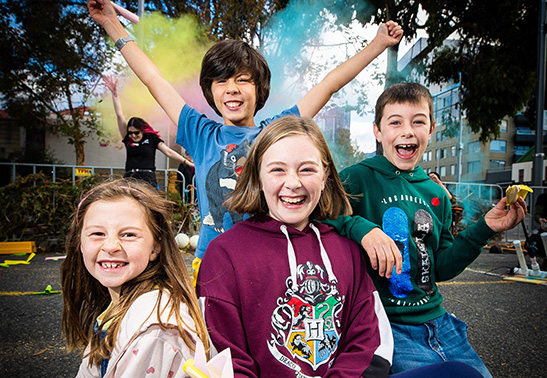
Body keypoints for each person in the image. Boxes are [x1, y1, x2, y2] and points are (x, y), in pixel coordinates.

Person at [87, 0, 403, 283]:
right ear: (209, 90)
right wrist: (111, 23)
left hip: (270, 260)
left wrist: (378, 44)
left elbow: (329, 84)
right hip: (213, 263)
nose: (232, 89)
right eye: (221, 81)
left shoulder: (274, 132)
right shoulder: (200, 132)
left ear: (259, 88)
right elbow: (153, 79)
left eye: (242, 80)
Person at [196, 116, 484, 378]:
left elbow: (368, 338)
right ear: (258, 177)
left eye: (307, 169)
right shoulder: (225, 253)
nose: (293, 183)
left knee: (461, 373)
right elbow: (224, 356)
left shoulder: (346, 249)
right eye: (277, 170)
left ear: (325, 177)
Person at [324, 83, 526, 377]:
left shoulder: (437, 194)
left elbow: (440, 267)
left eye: (417, 121)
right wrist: (360, 227)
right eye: (395, 122)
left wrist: (484, 228)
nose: (407, 131)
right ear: (377, 131)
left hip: (441, 323)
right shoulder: (355, 179)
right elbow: (320, 220)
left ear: (430, 129)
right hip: (384, 325)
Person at [61, 179, 209, 377]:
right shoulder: (120, 303)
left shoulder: (155, 329)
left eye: (128, 235)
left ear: (156, 247)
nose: (111, 246)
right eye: (97, 233)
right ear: (79, 242)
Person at [102, 75, 193, 188]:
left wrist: (186, 161)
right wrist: (115, 94)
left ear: (142, 130)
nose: (133, 136)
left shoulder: (152, 139)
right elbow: (119, 115)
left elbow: (168, 152)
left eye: (136, 133)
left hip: (147, 178)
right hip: (130, 177)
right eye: (131, 133)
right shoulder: (127, 138)